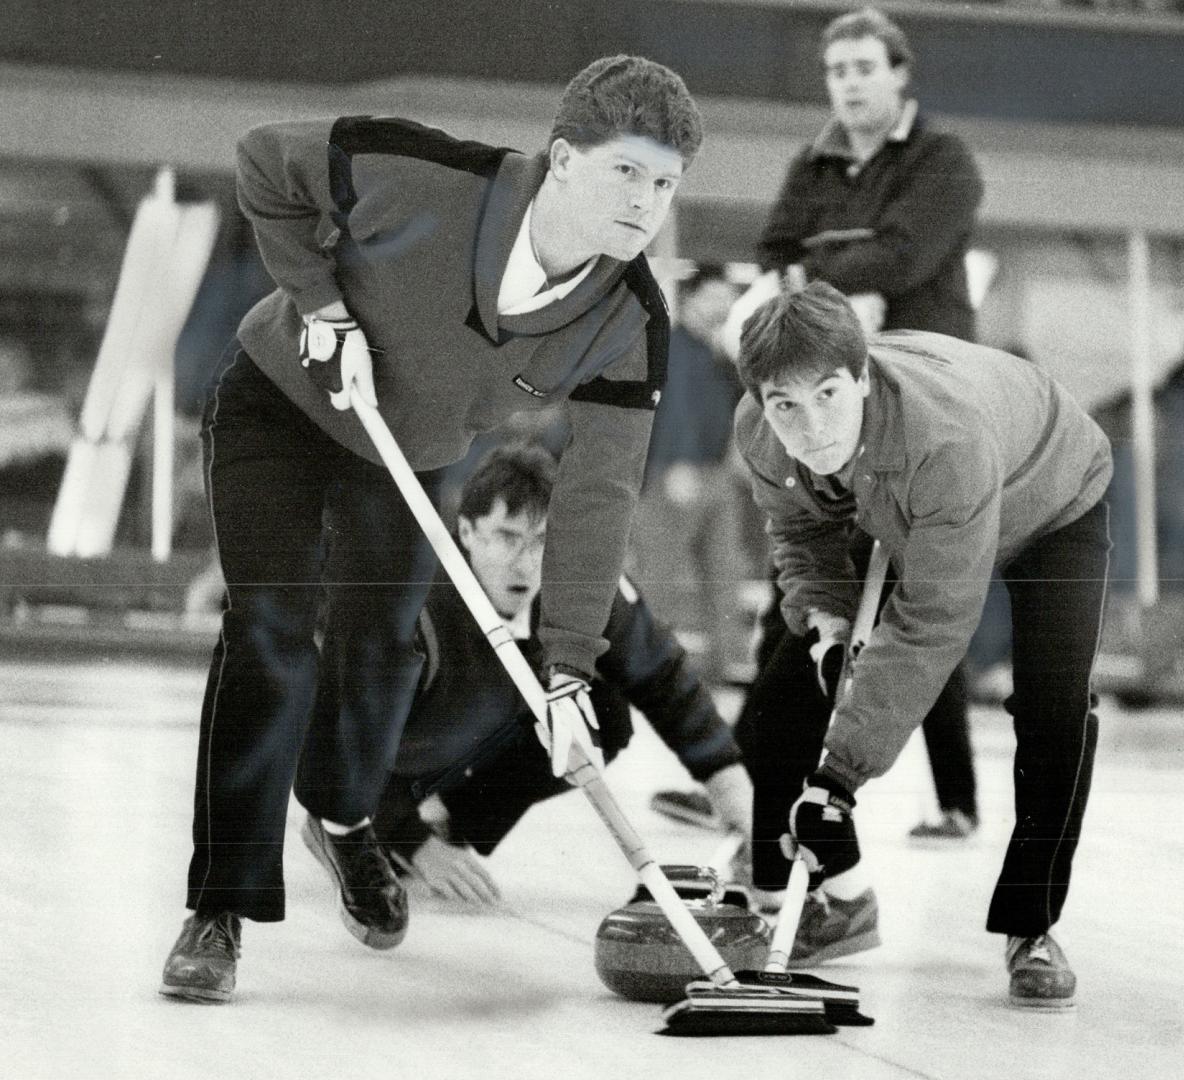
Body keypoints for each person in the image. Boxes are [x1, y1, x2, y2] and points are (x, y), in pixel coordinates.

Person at [160, 55, 704, 1004]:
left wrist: (570, 664)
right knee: (275, 629)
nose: (644, 202)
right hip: (281, 402)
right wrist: (319, 303)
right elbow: (262, 162)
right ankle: (221, 906)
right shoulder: (426, 174)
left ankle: (340, 818)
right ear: (564, 159)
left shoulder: (628, 319)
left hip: (403, 450)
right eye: (627, 171)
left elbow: (597, 495)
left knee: (385, 651)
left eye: (663, 183)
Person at [735, 282, 1111, 1009]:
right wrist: (826, 623)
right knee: (785, 690)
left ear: (862, 378)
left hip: (1051, 493)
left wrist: (838, 780)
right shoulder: (760, 433)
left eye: (827, 396)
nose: (809, 427)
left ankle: (1030, 927)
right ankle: (836, 901)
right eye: (785, 404)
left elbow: (932, 621)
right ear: (760, 400)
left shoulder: (944, 441)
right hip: (904, 501)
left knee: (1053, 706)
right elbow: (802, 539)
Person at [749, 5, 985, 846]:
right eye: (835, 72)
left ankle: (946, 796)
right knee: (821, 572)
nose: (847, 85)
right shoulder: (810, 163)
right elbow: (772, 248)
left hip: (922, 410)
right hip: (829, 403)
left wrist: (813, 276)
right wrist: (839, 280)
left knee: (917, 591)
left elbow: (907, 257)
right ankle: (761, 776)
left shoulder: (943, 161)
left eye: (861, 68)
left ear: (898, 74)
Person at [369, 443, 752, 900]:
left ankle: (449, 819)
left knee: (600, 716)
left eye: (542, 541)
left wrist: (729, 786)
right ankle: (364, 827)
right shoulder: (414, 607)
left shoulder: (583, 588)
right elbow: (336, 735)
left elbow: (662, 677)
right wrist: (409, 840)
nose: (526, 563)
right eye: (508, 536)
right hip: (388, 761)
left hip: (469, 742)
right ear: (467, 532)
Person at [630, 265, 753, 683]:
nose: (723, 306)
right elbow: (672, 408)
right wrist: (677, 462)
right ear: (690, 298)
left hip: (716, 474)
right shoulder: (669, 343)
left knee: (724, 572)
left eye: (728, 299)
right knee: (660, 577)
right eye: (715, 297)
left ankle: (728, 664)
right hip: (675, 472)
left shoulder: (718, 352)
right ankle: (644, 670)